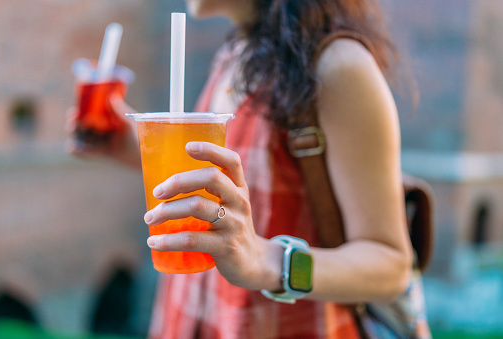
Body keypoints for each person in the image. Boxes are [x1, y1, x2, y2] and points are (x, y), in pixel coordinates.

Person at [66, 0, 418, 337]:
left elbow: (391, 266)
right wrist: (134, 147)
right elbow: (226, 183)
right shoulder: (236, 55)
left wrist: (267, 261)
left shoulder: (338, 66)